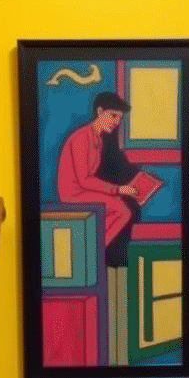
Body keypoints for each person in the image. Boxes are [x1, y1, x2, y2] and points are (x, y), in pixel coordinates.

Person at [56, 91, 147, 266]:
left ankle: (93, 247)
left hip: (83, 191)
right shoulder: (82, 137)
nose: (116, 122)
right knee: (122, 210)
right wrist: (118, 189)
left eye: (119, 118)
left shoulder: (97, 139)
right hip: (73, 194)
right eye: (113, 115)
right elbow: (84, 180)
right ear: (99, 111)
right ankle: (94, 251)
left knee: (122, 208)